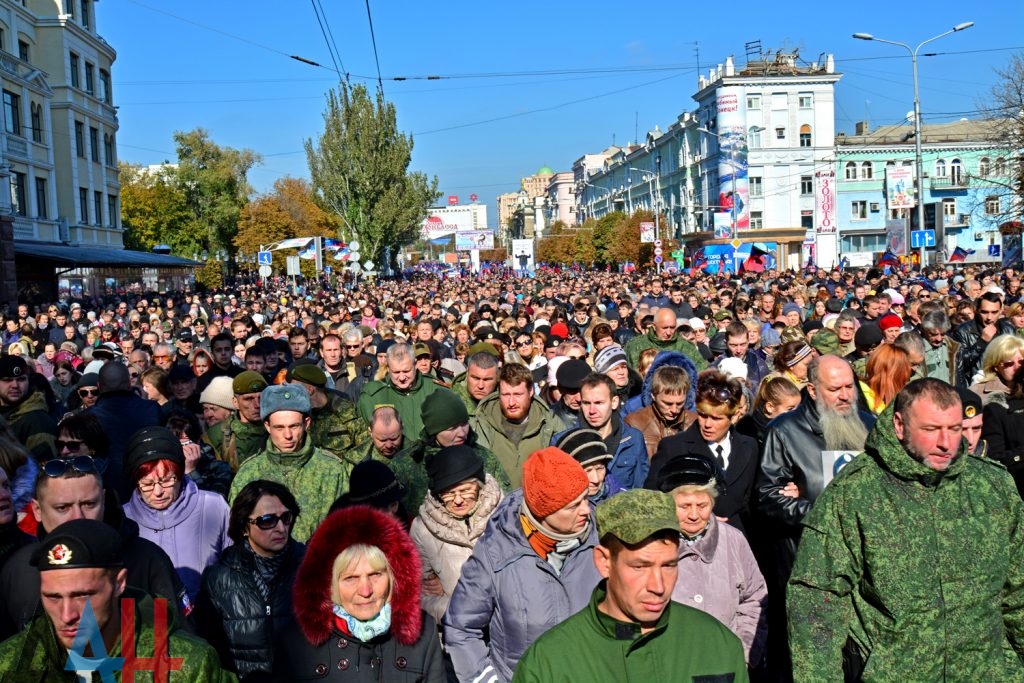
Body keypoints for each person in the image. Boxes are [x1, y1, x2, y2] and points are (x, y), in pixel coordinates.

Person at [788, 378, 1024, 681]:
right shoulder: (856, 492)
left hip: (989, 672)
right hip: (895, 672)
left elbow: (1018, 589)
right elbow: (816, 598)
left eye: (954, 429)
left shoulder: (992, 487)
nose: (946, 443)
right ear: (899, 425)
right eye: (930, 429)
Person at [512, 488, 748, 683]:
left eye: (668, 565)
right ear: (604, 563)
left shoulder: (716, 643)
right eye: (639, 567)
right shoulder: (550, 663)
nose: (658, 586)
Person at [755, 353, 875, 678]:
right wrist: (821, 511)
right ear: (812, 390)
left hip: (865, 570)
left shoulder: (870, 425)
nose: (845, 395)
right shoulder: (784, 432)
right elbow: (767, 498)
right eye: (835, 389)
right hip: (807, 565)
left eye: (849, 386)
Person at [0, 518, 232, 680]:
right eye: (53, 597)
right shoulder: (9, 665)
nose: (67, 615)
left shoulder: (188, 667)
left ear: (119, 583)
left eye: (83, 595)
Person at [444, 447, 600, 683]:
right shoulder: (495, 552)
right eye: (573, 505)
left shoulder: (603, 536)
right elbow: (461, 628)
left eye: (586, 498)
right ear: (544, 511)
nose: (586, 510)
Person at [0, 457, 187, 641]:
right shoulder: (18, 570)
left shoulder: (147, 560)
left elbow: (181, 646)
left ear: (104, 501)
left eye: (89, 504)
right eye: (63, 507)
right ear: (37, 510)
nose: (78, 517)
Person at [274, 504, 446, 681]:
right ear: (329, 585)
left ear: (394, 577)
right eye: (350, 578)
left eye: (375, 574)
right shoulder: (294, 641)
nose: (365, 591)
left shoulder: (424, 630)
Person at [652, 453, 767, 666]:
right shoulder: (653, 544)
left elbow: (754, 598)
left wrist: (743, 652)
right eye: (684, 506)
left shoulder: (733, 539)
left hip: (726, 662)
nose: (694, 514)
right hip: (671, 666)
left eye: (702, 505)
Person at [195, 479, 305, 679]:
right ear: (244, 527)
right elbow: (208, 651)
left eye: (286, 517)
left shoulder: (312, 568)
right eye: (267, 520)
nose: (280, 528)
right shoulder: (218, 579)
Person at [122, 425, 231, 601]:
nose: (157, 492)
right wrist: (129, 628)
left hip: (208, 618)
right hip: (147, 621)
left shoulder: (213, 506)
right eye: (147, 484)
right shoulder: (123, 518)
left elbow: (235, 568)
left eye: (166, 481)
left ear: (180, 475)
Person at [229, 384, 349, 543]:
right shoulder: (249, 473)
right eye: (279, 427)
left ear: (306, 424)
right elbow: (238, 530)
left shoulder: (332, 471)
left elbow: (346, 528)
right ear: (267, 426)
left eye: (294, 426)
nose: (287, 435)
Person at [410, 444, 504, 622]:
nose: (458, 500)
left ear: (479, 486)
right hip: (459, 629)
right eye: (449, 493)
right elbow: (419, 594)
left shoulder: (505, 513)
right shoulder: (422, 529)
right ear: (438, 494)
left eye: (465, 490)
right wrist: (454, 611)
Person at [556, 373, 648, 489]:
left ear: (614, 402)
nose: (592, 410)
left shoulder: (634, 439)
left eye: (599, 403)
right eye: (586, 403)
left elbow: (642, 489)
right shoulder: (562, 442)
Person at [472, 363, 557, 488]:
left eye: (517, 395)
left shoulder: (550, 423)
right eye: (506, 395)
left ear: (531, 391)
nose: (511, 403)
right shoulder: (480, 424)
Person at [87, 360, 161, 502]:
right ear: (129, 384)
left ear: (99, 387)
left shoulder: (88, 417)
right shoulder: (152, 409)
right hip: (148, 487)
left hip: (106, 493)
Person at [357, 342, 445, 442]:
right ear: (388, 368)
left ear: (415, 364)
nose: (402, 377)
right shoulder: (372, 396)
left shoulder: (436, 390)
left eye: (407, 371)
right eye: (396, 372)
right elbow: (364, 437)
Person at [623, 355, 698, 458]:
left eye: (680, 403)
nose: (674, 410)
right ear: (653, 395)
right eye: (667, 403)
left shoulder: (696, 423)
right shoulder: (634, 423)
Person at [203, 370, 270, 470]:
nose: (257, 405)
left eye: (261, 397)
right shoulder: (216, 435)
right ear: (235, 402)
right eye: (249, 399)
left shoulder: (278, 429)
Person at [949, 291, 1014, 387]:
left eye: (994, 312)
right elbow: (959, 364)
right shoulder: (963, 331)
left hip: (1006, 384)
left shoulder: (1008, 329)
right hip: (977, 385)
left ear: (1001, 311)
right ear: (977, 311)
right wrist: (981, 342)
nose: (989, 317)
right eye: (984, 312)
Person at [0, 355, 58, 462]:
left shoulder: (37, 421)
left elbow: (45, 473)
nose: (15, 385)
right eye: (7, 380)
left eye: (21, 379)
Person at [553, 428, 625, 504]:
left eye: (600, 468)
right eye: (587, 471)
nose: (596, 480)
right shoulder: (558, 507)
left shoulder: (623, 497)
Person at [624, 308, 707, 372]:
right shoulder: (635, 346)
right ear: (653, 326)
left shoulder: (686, 347)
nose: (668, 332)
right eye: (664, 328)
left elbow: (702, 369)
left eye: (672, 327)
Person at [970, 333, 1024, 405]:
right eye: (1009, 363)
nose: (1017, 366)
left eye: (1022, 362)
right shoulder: (977, 393)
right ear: (996, 366)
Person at [450, 350, 500, 416]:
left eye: (486, 380)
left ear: (497, 377)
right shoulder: (450, 402)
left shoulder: (506, 400)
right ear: (467, 373)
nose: (480, 386)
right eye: (476, 378)